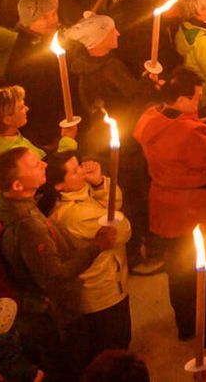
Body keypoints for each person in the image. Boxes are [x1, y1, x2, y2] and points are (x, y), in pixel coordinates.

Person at [0, 145, 120, 379]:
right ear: (17, 185)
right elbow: (55, 274)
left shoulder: (3, 207)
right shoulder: (28, 225)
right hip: (51, 316)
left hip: (30, 310)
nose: (44, 163)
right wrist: (97, 245)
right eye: (33, 164)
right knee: (70, 366)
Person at [133, 66, 206, 344]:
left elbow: (195, 131)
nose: (197, 102)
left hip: (164, 207)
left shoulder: (152, 117)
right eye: (195, 98)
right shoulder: (185, 133)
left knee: (178, 274)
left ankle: (186, 326)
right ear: (180, 100)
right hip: (193, 209)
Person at [46, 150, 134, 367]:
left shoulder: (81, 195)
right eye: (75, 171)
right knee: (113, 347)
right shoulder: (76, 214)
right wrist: (104, 201)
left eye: (79, 165)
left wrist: (98, 184)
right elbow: (123, 230)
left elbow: (116, 203)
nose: (83, 172)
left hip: (108, 282)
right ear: (59, 186)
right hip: (102, 291)